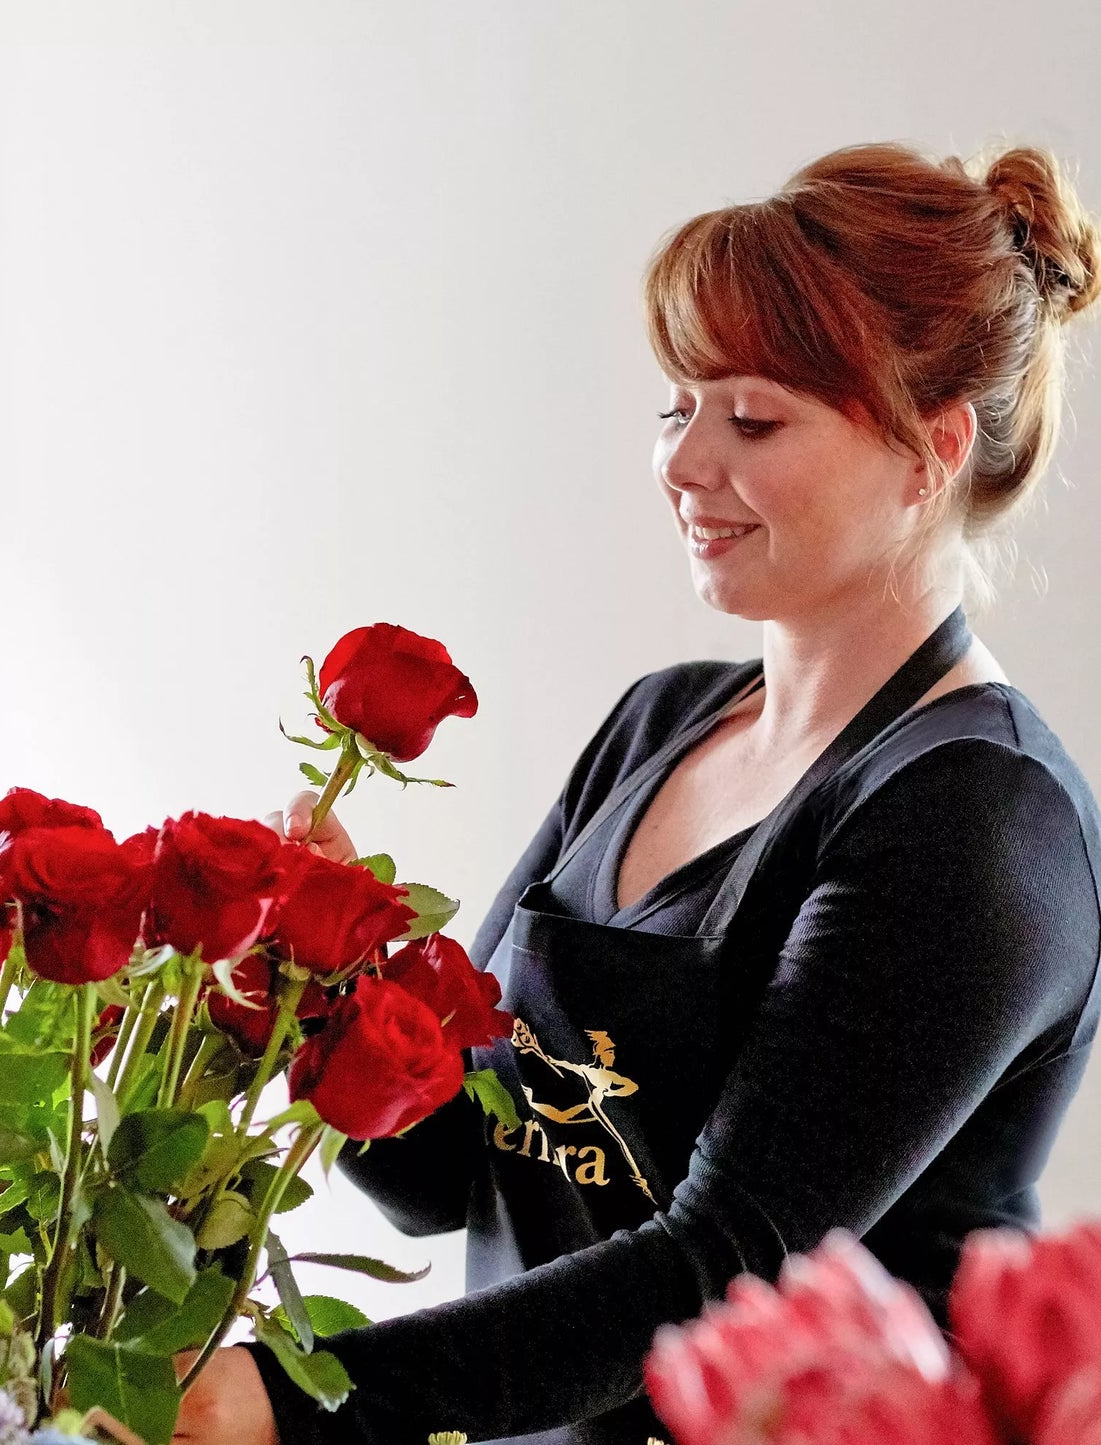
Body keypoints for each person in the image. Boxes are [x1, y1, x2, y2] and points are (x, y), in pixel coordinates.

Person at [173, 138, 1101, 1444]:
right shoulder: (656, 723)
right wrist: (330, 990)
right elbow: (446, 1177)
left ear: (927, 450)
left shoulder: (974, 822)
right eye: (677, 404)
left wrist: (291, 1402)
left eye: (753, 417)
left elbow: (719, 1266)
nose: (680, 461)